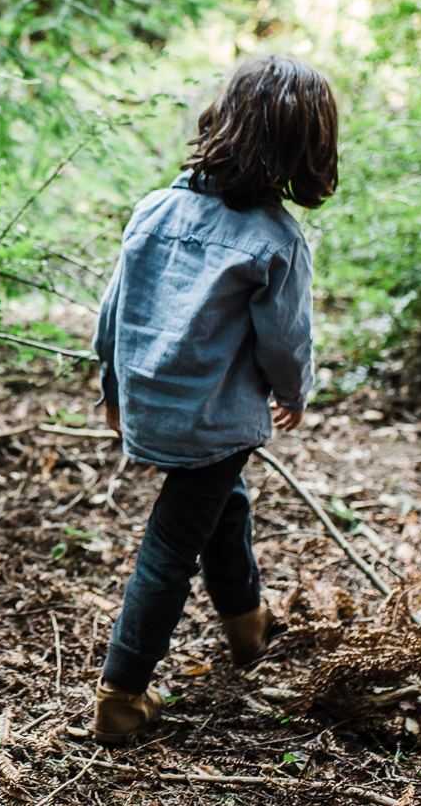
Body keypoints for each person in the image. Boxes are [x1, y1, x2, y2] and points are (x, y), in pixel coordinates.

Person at [89, 54, 338, 745]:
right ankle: (121, 693)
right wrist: (293, 394)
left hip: (149, 407)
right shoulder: (276, 238)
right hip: (212, 419)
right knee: (170, 545)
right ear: (304, 147)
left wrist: (112, 388)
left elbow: (111, 315)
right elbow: (285, 343)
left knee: (222, 502)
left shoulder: (155, 207)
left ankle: (247, 624)